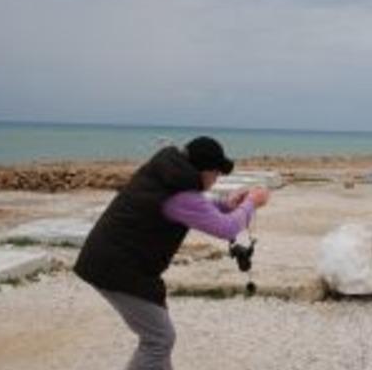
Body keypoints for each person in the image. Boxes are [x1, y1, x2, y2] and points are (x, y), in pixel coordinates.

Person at [75, 137, 270, 369]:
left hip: (115, 262)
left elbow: (197, 206)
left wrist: (228, 204)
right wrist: (251, 204)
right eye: (217, 173)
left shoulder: (168, 176)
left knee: (159, 336)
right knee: (159, 339)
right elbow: (225, 228)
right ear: (203, 170)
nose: (218, 179)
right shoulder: (179, 192)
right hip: (117, 268)